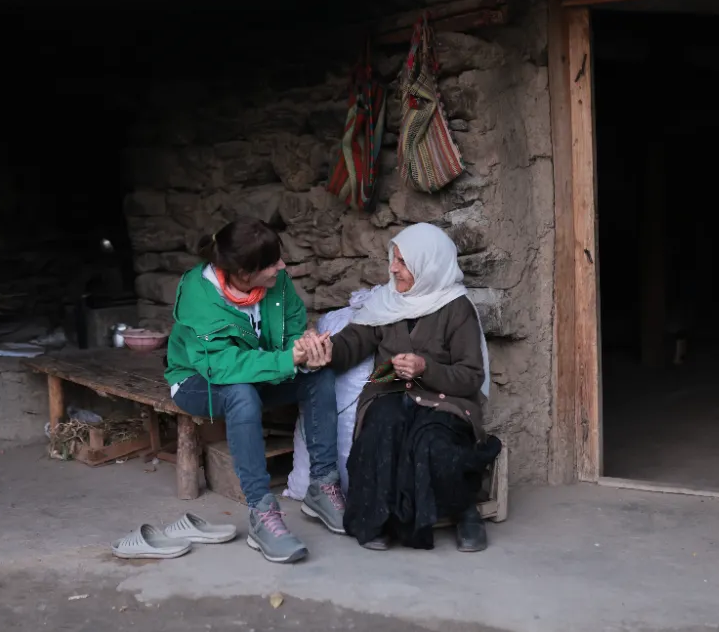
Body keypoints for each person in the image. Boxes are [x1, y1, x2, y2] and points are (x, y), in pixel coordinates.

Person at [299, 223, 501, 552]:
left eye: (403, 262)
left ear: (428, 264)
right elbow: (352, 342)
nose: (393, 268)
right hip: (389, 391)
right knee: (380, 431)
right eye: (393, 259)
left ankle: (466, 513)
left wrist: (427, 369)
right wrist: (327, 350)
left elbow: (470, 375)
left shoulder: (456, 308)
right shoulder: (386, 302)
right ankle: (376, 520)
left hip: (444, 400)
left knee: (434, 444)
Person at [164, 218, 344, 564]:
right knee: (240, 393)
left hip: (261, 371)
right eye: (273, 263)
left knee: (319, 375)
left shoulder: (276, 283)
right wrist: (287, 360)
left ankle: (323, 486)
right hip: (198, 381)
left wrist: (305, 348)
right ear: (243, 273)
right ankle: (262, 513)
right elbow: (222, 367)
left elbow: (293, 326)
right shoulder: (199, 295)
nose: (283, 266)